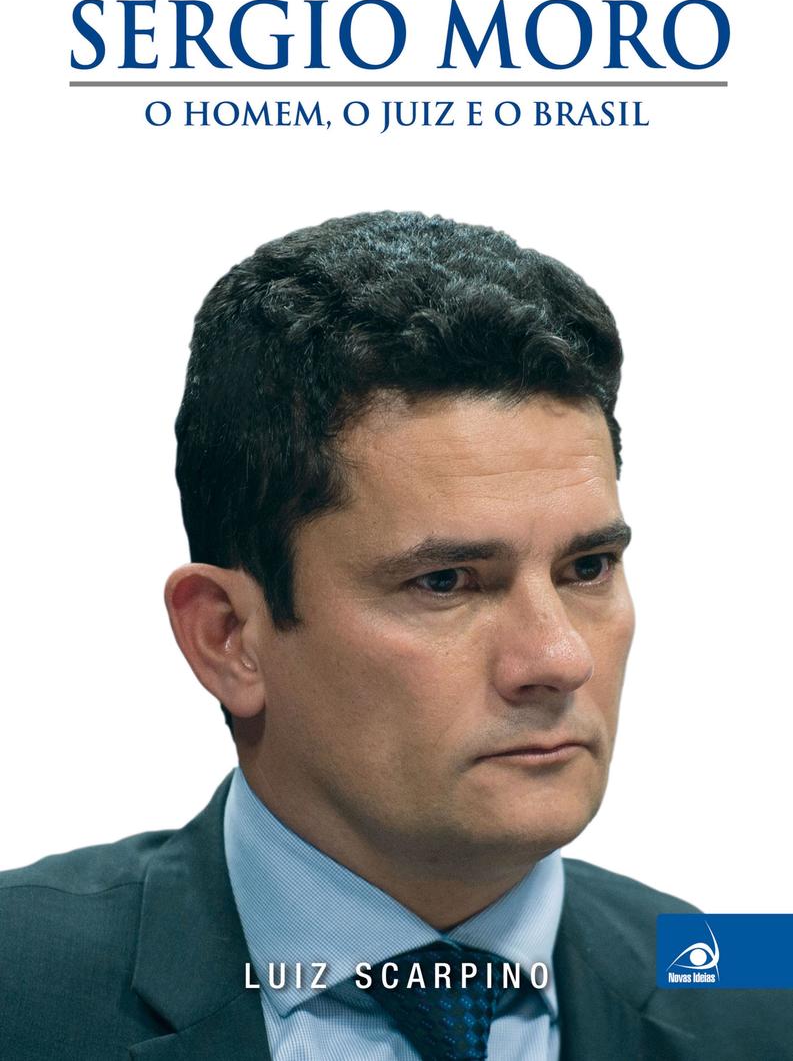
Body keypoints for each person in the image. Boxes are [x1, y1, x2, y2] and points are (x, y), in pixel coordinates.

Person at [0, 212, 788, 1060]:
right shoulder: (22, 987)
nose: (560, 659)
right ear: (228, 638)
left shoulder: (756, 991)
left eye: (587, 567)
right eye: (445, 581)